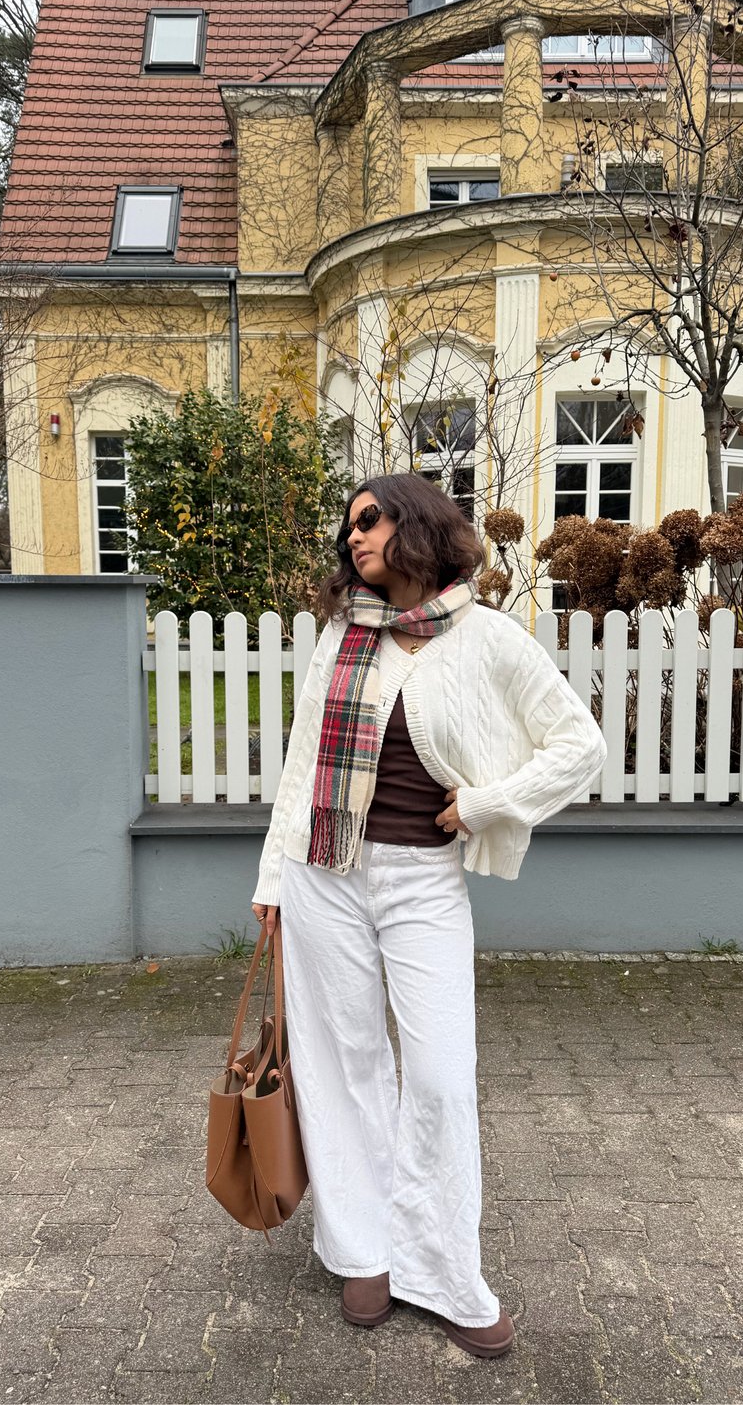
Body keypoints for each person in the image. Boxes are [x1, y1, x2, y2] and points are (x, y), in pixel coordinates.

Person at [250, 473, 606, 1359]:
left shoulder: (487, 638)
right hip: (322, 871)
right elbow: (302, 762)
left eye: (369, 521)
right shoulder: (344, 634)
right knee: (344, 1063)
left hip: (421, 880)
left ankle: (445, 1271)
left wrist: (488, 803)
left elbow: (580, 746)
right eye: (348, 528)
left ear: (415, 525)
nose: (354, 538)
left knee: (442, 1075)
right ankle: (363, 1251)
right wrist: (271, 881)